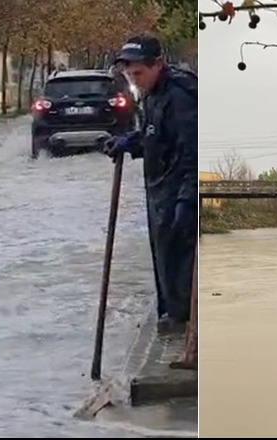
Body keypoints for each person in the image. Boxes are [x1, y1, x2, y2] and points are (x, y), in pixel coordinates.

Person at [104, 35, 198, 332]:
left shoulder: (180, 96)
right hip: (159, 191)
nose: (134, 79)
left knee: (179, 261)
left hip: (177, 192)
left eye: (138, 73)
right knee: (164, 259)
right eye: (129, 74)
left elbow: (192, 151)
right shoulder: (151, 94)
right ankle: (172, 317)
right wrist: (128, 143)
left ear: (157, 64)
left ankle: (184, 324)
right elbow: (153, 135)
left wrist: (188, 199)